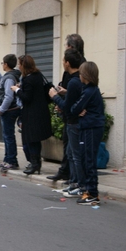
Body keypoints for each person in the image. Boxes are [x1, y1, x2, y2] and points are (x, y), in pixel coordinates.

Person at [47, 34, 86, 182]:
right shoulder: (72, 73)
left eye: (66, 46)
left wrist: (57, 97)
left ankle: (75, 179)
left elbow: (80, 92)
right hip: (69, 110)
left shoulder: (80, 71)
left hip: (74, 114)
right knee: (69, 147)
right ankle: (67, 173)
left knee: (74, 150)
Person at [71, 61, 105, 205]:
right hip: (90, 127)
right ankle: (90, 191)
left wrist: (79, 110)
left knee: (88, 160)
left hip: (91, 128)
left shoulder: (89, 91)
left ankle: (92, 193)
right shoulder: (92, 90)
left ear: (85, 75)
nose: (79, 76)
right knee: (86, 159)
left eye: (81, 73)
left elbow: (74, 108)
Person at [11, 55, 52, 175]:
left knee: (31, 139)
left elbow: (27, 97)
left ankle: (34, 164)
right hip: (39, 111)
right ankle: (36, 163)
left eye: (20, 64)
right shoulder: (37, 76)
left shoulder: (28, 79)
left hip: (31, 114)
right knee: (35, 139)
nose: (18, 66)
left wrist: (17, 90)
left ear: (24, 65)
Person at [0, 54, 22, 171]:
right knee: (7, 135)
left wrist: (1, 109)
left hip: (9, 110)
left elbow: (8, 96)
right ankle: (7, 159)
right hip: (12, 109)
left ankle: (11, 160)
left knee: (8, 135)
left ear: (5, 64)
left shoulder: (9, 77)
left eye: (2, 63)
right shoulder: (12, 76)